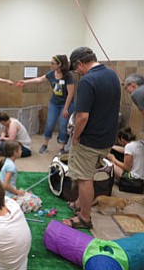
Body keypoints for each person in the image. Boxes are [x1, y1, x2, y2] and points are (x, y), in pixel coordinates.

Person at [63, 47, 120, 229]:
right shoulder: (112, 75)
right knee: (89, 172)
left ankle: (84, 218)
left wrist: (75, 137)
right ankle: (79, 203)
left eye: (76, 69)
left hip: (89, 139)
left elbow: (82, 116)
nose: (77, 73)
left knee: (84, 178)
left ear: (80, 63)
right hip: (107, 138)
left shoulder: (88, 80)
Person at [16, 55, 74, 155]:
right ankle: (45, 144)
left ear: (59, 64)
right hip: (54, 103)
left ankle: (62, 147)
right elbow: (39, 80)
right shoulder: (51, 74)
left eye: (53, 63)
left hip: (66, 104)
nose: (50, 65)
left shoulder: (68, 76)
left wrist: (65, 109)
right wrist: (25, 82)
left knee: (63, 125)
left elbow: (71, 94)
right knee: (49, 124)